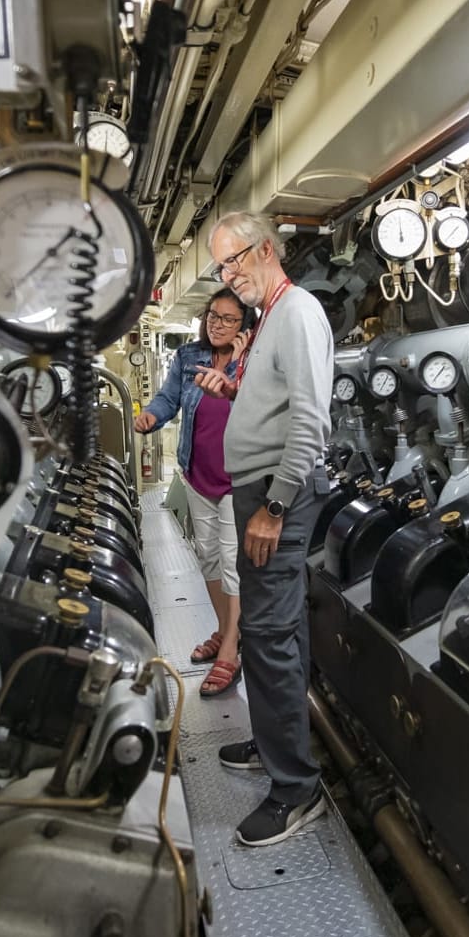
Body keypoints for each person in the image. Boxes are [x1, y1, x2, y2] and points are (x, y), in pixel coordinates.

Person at [193, 211, 334, 847]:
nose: (230, 276)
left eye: (235, 260)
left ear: (267, 249)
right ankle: (277, 742)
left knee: (269, 631)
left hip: (278, 497)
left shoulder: (297, 310)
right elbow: (274, 405)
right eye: (221, 267)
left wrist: (272, 507)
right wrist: (230, 393)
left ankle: (295, 790)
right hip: (259, 490)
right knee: (279, 627)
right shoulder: (269, 317)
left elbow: (310, 421)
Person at [135, 289, 252, 697]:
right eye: (212, 316)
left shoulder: (251, 361)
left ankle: (231, 652)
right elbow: (169, 398)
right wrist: (153, 414)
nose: (216, 324)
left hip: (238, 478)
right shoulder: (189, 357)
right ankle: (223, 631)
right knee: (209, 558)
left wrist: (239, 360)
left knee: (233, 563)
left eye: (228, 319)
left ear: (244, 326)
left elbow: (255, 402)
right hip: (198, 473)